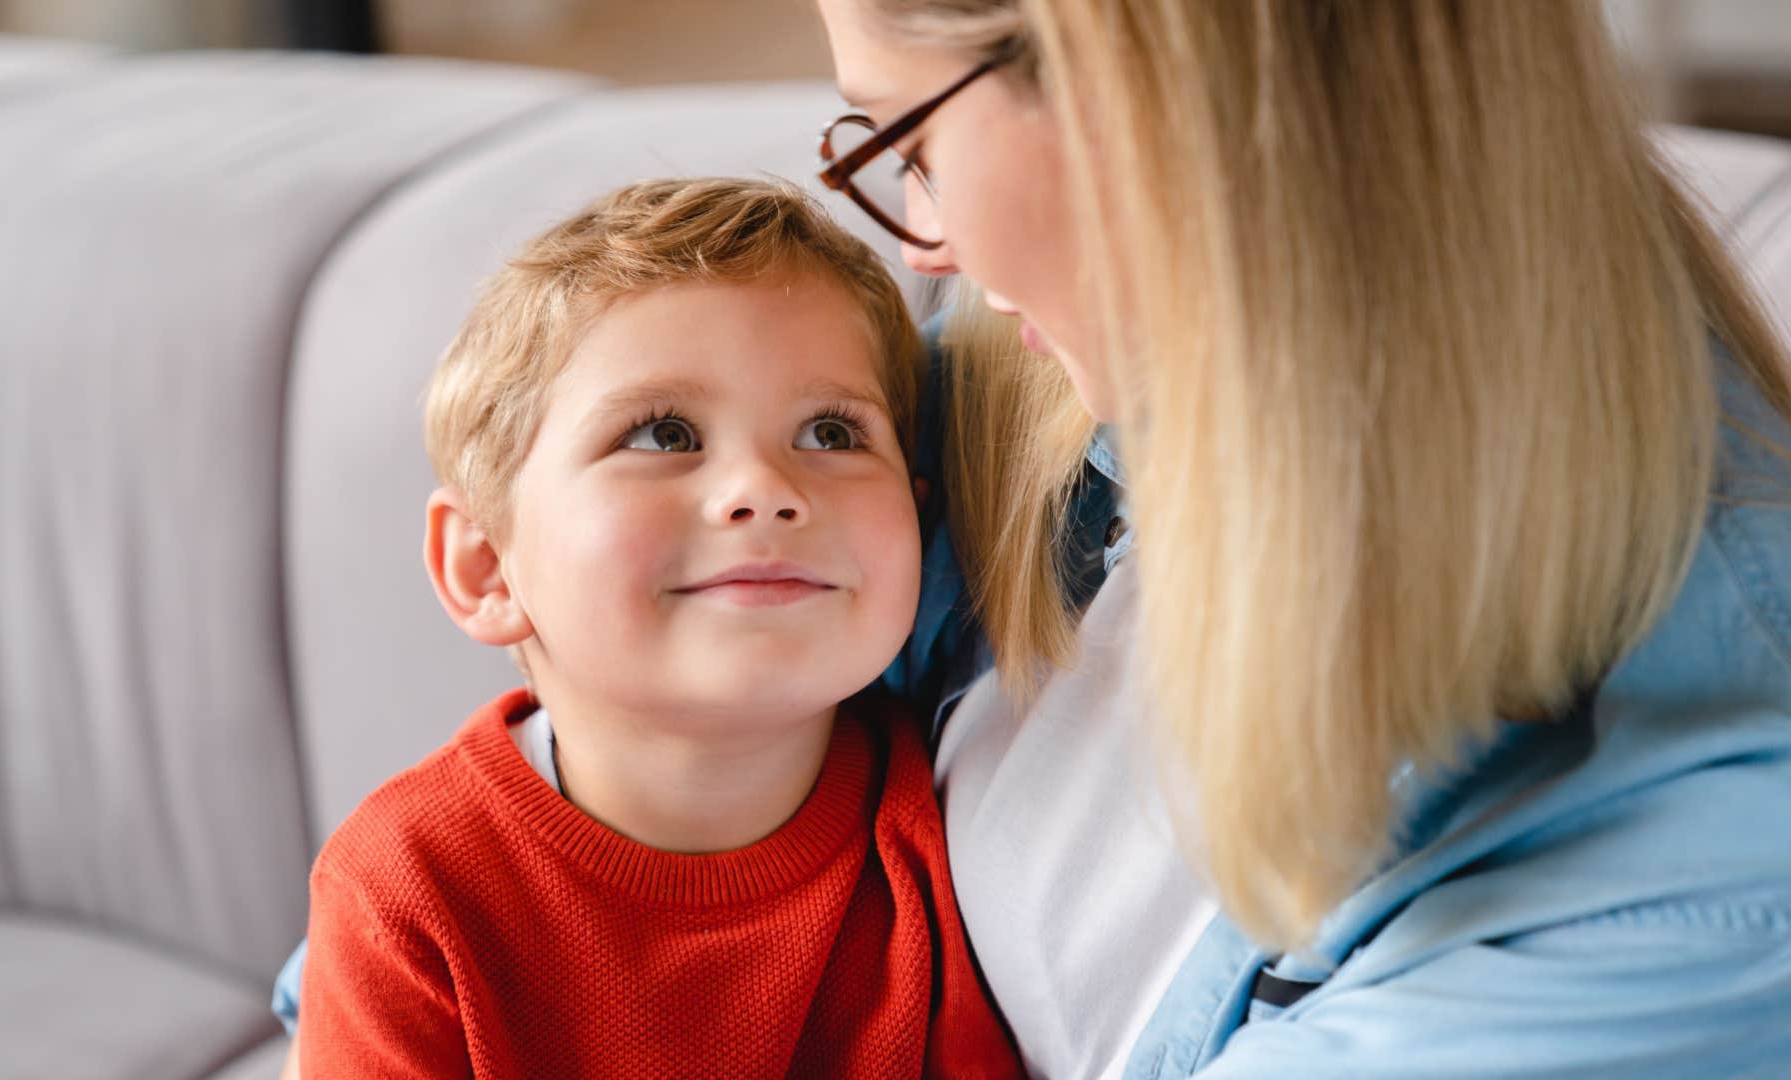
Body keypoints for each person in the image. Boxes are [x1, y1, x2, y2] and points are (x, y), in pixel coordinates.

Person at [283, 0, 1791, 1075]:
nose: (921, 246)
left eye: (912, 143)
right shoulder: (1053, 382)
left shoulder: (1689, 872)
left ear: (1148, 86)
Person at [294, 176, 1021, 1077]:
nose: (765, 489)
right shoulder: (406, 894)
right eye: (665, 435)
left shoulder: (954, 830)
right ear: (485, 565)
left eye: (832, 433)